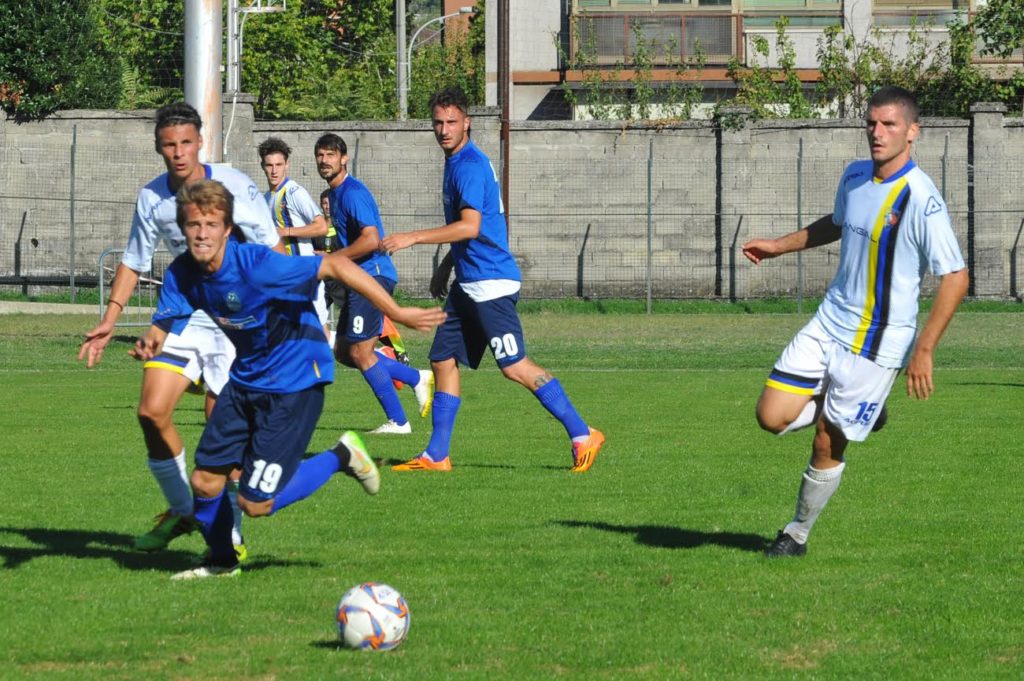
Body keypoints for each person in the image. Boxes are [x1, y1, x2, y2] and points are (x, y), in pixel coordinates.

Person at [131, 179, 445, 579]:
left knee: (255, 503)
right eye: (194, 224)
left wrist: (397, 314)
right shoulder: (182, 274)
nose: (202, 233)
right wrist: (151, 341)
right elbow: (164, 325)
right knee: (205, 481)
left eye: (212, 224)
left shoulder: (257, 265)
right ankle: (223, 561)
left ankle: (340, 457)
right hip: (246, 379)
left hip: (296, 378)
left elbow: (334, 264)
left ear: (227, 229)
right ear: (183, 228)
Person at [741, 86, 969, 558]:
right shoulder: (855, 175)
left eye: (889, 124)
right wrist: (779, 246)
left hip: (877, 340)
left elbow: (956, 277)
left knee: (827, 438)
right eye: (871, 123)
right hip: (830, 320)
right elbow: (838, 223)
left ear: (913, 132)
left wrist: (924, 350)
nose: (877, 132)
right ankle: (858, 411)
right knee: (770, 416)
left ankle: (796, 534)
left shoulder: (921, 199)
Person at [78, 102, 283, 556]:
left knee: (220, 431)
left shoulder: (231, 184)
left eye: (186, 142)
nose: (178, 152)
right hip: (184, 317)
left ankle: (228, 534)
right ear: (158, 147)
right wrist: (110, 319)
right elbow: (135, 260)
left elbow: (273, 245)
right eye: (169, 145)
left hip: (236, 320)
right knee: (151, 411)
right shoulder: (152, 198)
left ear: (200, 142)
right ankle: (181, 511)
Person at [381, 86, 605, 473]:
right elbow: (474, 228)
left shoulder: (466, 166)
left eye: (452, 122)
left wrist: (414, 237)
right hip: (468, 285)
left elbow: (469, 226)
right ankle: (437, 455)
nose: (444, 129)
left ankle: (583, 433)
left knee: (514, 366)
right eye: (438, 122)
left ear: (467, 122)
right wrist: (446, 266)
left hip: (490, 285)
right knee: (442, 359)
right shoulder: (457, 161)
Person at [315, 133, 434, 434]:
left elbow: (371, 239)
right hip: (359, 277)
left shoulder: (352, 192)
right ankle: (415, 377)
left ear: (344, 159)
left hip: (373, 274)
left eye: (331, 155)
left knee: (361, 352)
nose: (324, 160)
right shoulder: (334, 195)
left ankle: (399, 421)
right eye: (320, 155)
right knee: (344, 351)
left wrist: (333, 260)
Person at [258, 136, 331, 335]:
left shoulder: (294, 193)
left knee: (317, 328)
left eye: (278, 165)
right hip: (282, 275)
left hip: (304, 272)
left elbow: (321, 226)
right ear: (263, 166)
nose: (274, 170)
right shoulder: (266, 198)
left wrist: (286, 232)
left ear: (287, 165)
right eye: (269, 165)